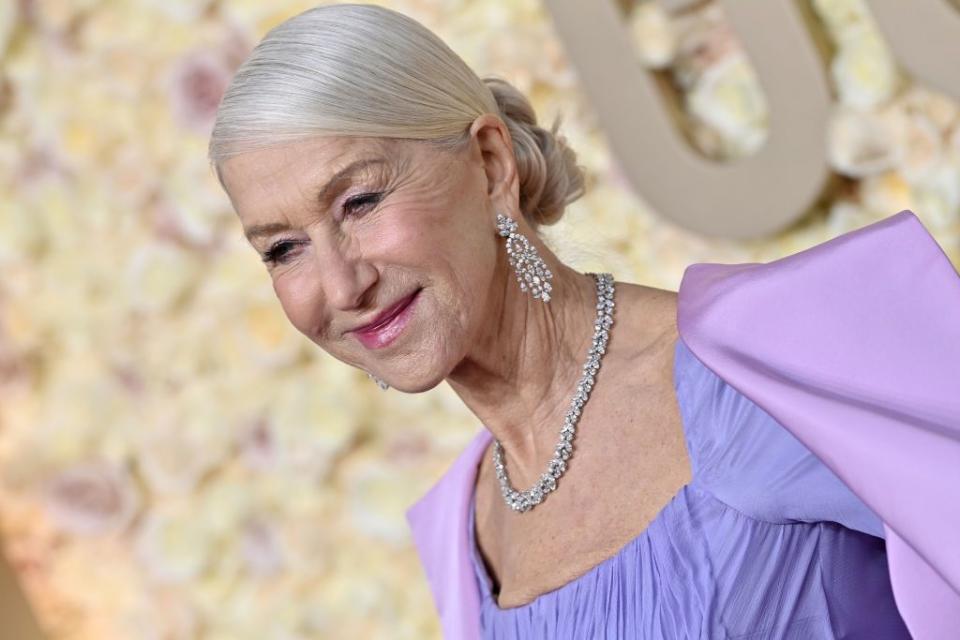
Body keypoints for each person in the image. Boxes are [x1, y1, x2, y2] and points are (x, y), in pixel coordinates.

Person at [207, 4, 960, 639]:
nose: (341, 284)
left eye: (360, 203)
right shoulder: (457, 536)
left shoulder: (768, 363)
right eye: (283, 249)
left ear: (491, 164)